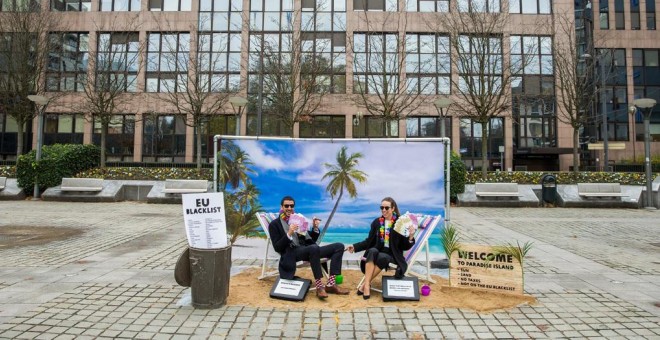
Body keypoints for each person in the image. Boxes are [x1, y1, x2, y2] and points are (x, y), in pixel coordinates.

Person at [268, 196, 349, 299]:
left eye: (291, 206)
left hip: (307, 250)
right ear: (281, 207)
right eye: (286, 206)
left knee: (339, 246)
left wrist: (315, 228)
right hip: (292, 252)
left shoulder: (298, 220)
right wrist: (289, 233)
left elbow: (310, 240)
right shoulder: (274, 225)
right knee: (313, 248)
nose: (289, 208)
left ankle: (330, 284)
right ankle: (319, 286)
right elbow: (277, 247)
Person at [346, 197, 415, 300]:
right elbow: (369, 241)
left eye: (386, 208)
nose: (383, 210)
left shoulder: (400, 223)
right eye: (381, 207)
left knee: (383, 257)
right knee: (372, 250)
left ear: (393, 208)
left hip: (393, 255)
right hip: (378, 251)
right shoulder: (377, 222)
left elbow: (404, 246)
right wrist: (355, 246)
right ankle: (367, 285)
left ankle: (365, 285)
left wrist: (411, 237)